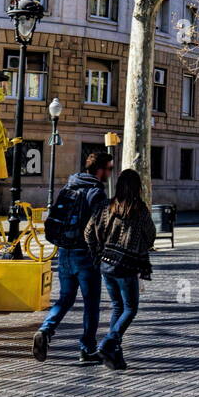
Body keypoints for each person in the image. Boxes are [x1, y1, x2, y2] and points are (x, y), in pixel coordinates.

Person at [32, 150, 113, 364]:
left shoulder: (69, 186)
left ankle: (46, 329)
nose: (110, 174)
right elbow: (100, 226)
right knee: (91, 303)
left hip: (64, 252)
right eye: (109, 169)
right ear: (100, 170)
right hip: (85, 254)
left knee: (66, 298)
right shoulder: (96, 192)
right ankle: (87, 349)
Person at [84, 168, 155, 370]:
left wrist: (97, 253)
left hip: (106, 263)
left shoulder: (106, 206)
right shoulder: (139, 209)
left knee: (117, 306)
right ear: (137, 187)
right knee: (130, 308)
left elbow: (88, 232)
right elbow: (150, 236)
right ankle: (109, 341)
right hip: (127, 265)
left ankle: (114, 354)